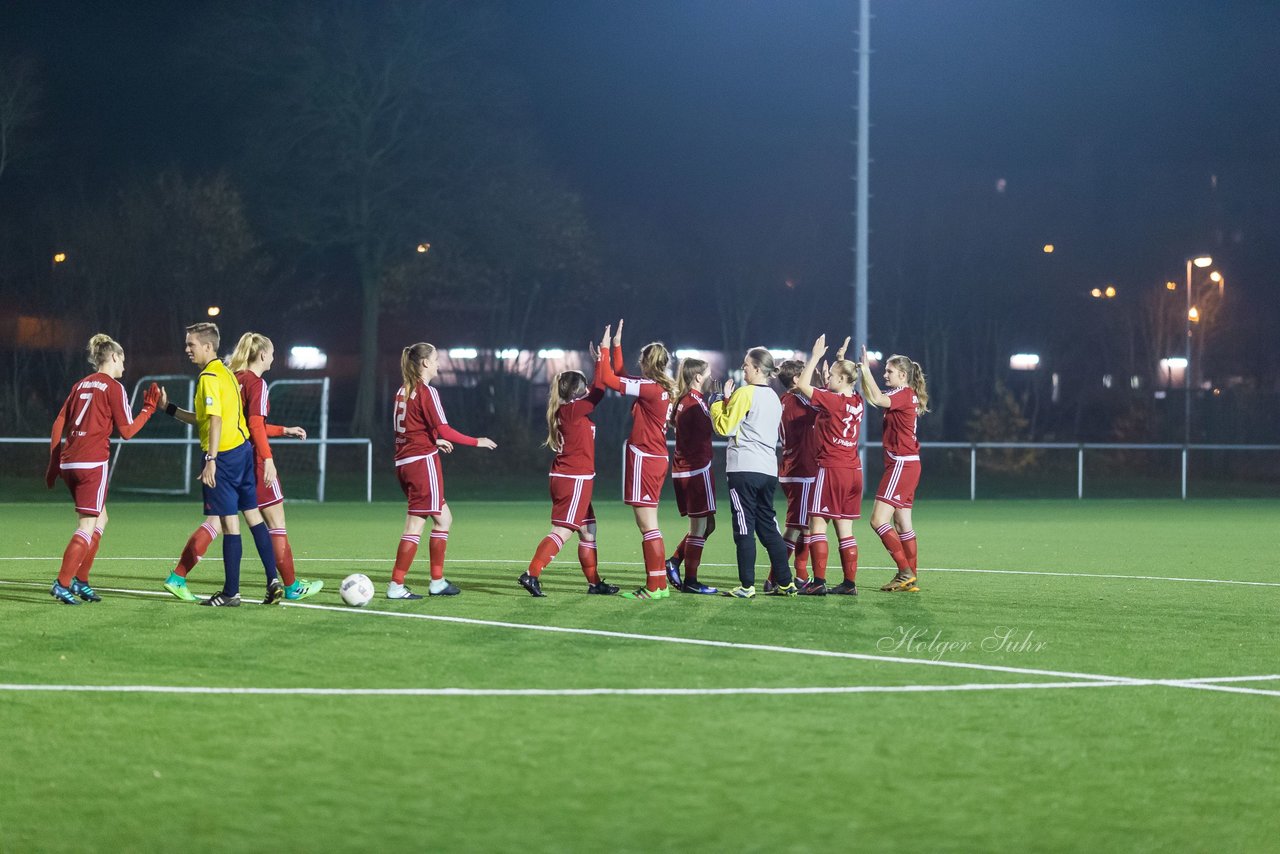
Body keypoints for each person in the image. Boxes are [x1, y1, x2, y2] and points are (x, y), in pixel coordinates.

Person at [162, 332, 323, 602]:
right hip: (250, 460)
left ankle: (178, 576)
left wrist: (283, 430)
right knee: (272, 522)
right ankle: (289, 585)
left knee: (218, 522)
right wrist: (268, 458)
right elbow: (254, 426)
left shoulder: (231, 377)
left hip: (232, 456)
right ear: (262, 355)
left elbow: (235, 422)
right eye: (272, 353)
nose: (273, 357)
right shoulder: (256, 383)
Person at [44, 334, 161, 604]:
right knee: (87, 525)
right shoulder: (114, 387)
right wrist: (148, 409)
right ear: (114, 357)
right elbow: (128, 432)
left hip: (69, 462)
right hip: (92, 463)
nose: (125, 366)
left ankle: (81, 580)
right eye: (124, 360)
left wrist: (53, 463)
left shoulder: (80, 385)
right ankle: (62, 583)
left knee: (101, 519)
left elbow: (58, 422)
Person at [518, 327, 619, 597]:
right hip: (574, 479)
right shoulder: (573, 410)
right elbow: (600, 390)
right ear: (576, 391)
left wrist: (599, 361)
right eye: (582, 385)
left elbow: (595, 389)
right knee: (562, 531)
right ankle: (532, 574)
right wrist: (603, 357)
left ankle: (594, 583)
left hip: (573, 477)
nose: (587, 389)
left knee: (588, 531)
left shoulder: (570, 409)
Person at [390, 342, 497, 599]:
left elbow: (410, 428)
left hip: (405, 463)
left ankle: (437, 581)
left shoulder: (402, 391)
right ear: (425, 363)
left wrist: (432, 439)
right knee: (414, 526)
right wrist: (476, 441)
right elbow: (445, 428)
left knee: (444, 519)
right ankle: (395, 585)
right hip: (422, 465)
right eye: (436, 358)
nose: (439, 363)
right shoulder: (428, 391)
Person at [596, 320, 675, 600]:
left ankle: (654, 587)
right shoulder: (658, 387)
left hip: (645, 458)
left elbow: (608, 379)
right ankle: (660, 585)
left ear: (646, 362)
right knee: (650, 524)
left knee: (647, 526)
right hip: (656, 457)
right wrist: (617, 346)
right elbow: (621, 380)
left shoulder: (649, 388)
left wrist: (604, 350)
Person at [709, 347, 795, 598]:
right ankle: (786, 583)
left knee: (743, 527)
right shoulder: (775, 398)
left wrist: (716, 402)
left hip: (743, 468)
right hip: (768, 469)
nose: (743, 368)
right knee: (768, 525)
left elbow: (725, 427)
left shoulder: (745, 393)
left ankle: (747, 586)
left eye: (746, 365)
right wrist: (728, 401)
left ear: (758, 368)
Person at [795, 334, 865, 596]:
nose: (828, 378)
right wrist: (839, 360)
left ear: (843, 379)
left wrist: (815, 357)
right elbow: (847, 377)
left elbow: (803, 384)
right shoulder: (856, 401)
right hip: (853, 471)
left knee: (817, 525)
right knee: (845, 528)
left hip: (831, 468)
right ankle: (849, 584)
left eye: (832, 375)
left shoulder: (833, 401)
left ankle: (819, 581)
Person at [859, 347, 929, 593]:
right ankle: (911, 577)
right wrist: (864, 375)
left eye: (889, 371)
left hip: (901, 464)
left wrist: (866, 369)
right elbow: (876, 397)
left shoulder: (902, 393)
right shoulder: (905, 394)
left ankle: (904, 571)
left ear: (902, 374)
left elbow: (877, 399)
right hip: (910, 463)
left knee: (878, 520)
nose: (885, 375)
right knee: (903, 524)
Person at [662, 355, 718, 594]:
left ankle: (674, 561)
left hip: (688, 469)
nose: (711, 377)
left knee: (708, 525)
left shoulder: (688, 400)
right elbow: (716, 428)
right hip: (696, 470)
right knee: (699, 527)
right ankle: (691, 581)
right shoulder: (694, 403)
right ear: (698, 377)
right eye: (708, 374)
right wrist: (720, 403)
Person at [773, 358, 819, 591]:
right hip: (801, 471)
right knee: (796, 526)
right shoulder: (799, 402)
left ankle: (800, 575)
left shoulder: (783, 400)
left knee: (804, 525)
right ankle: (777, 577)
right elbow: (825, 408)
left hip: (793, 469)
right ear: (796, 380)